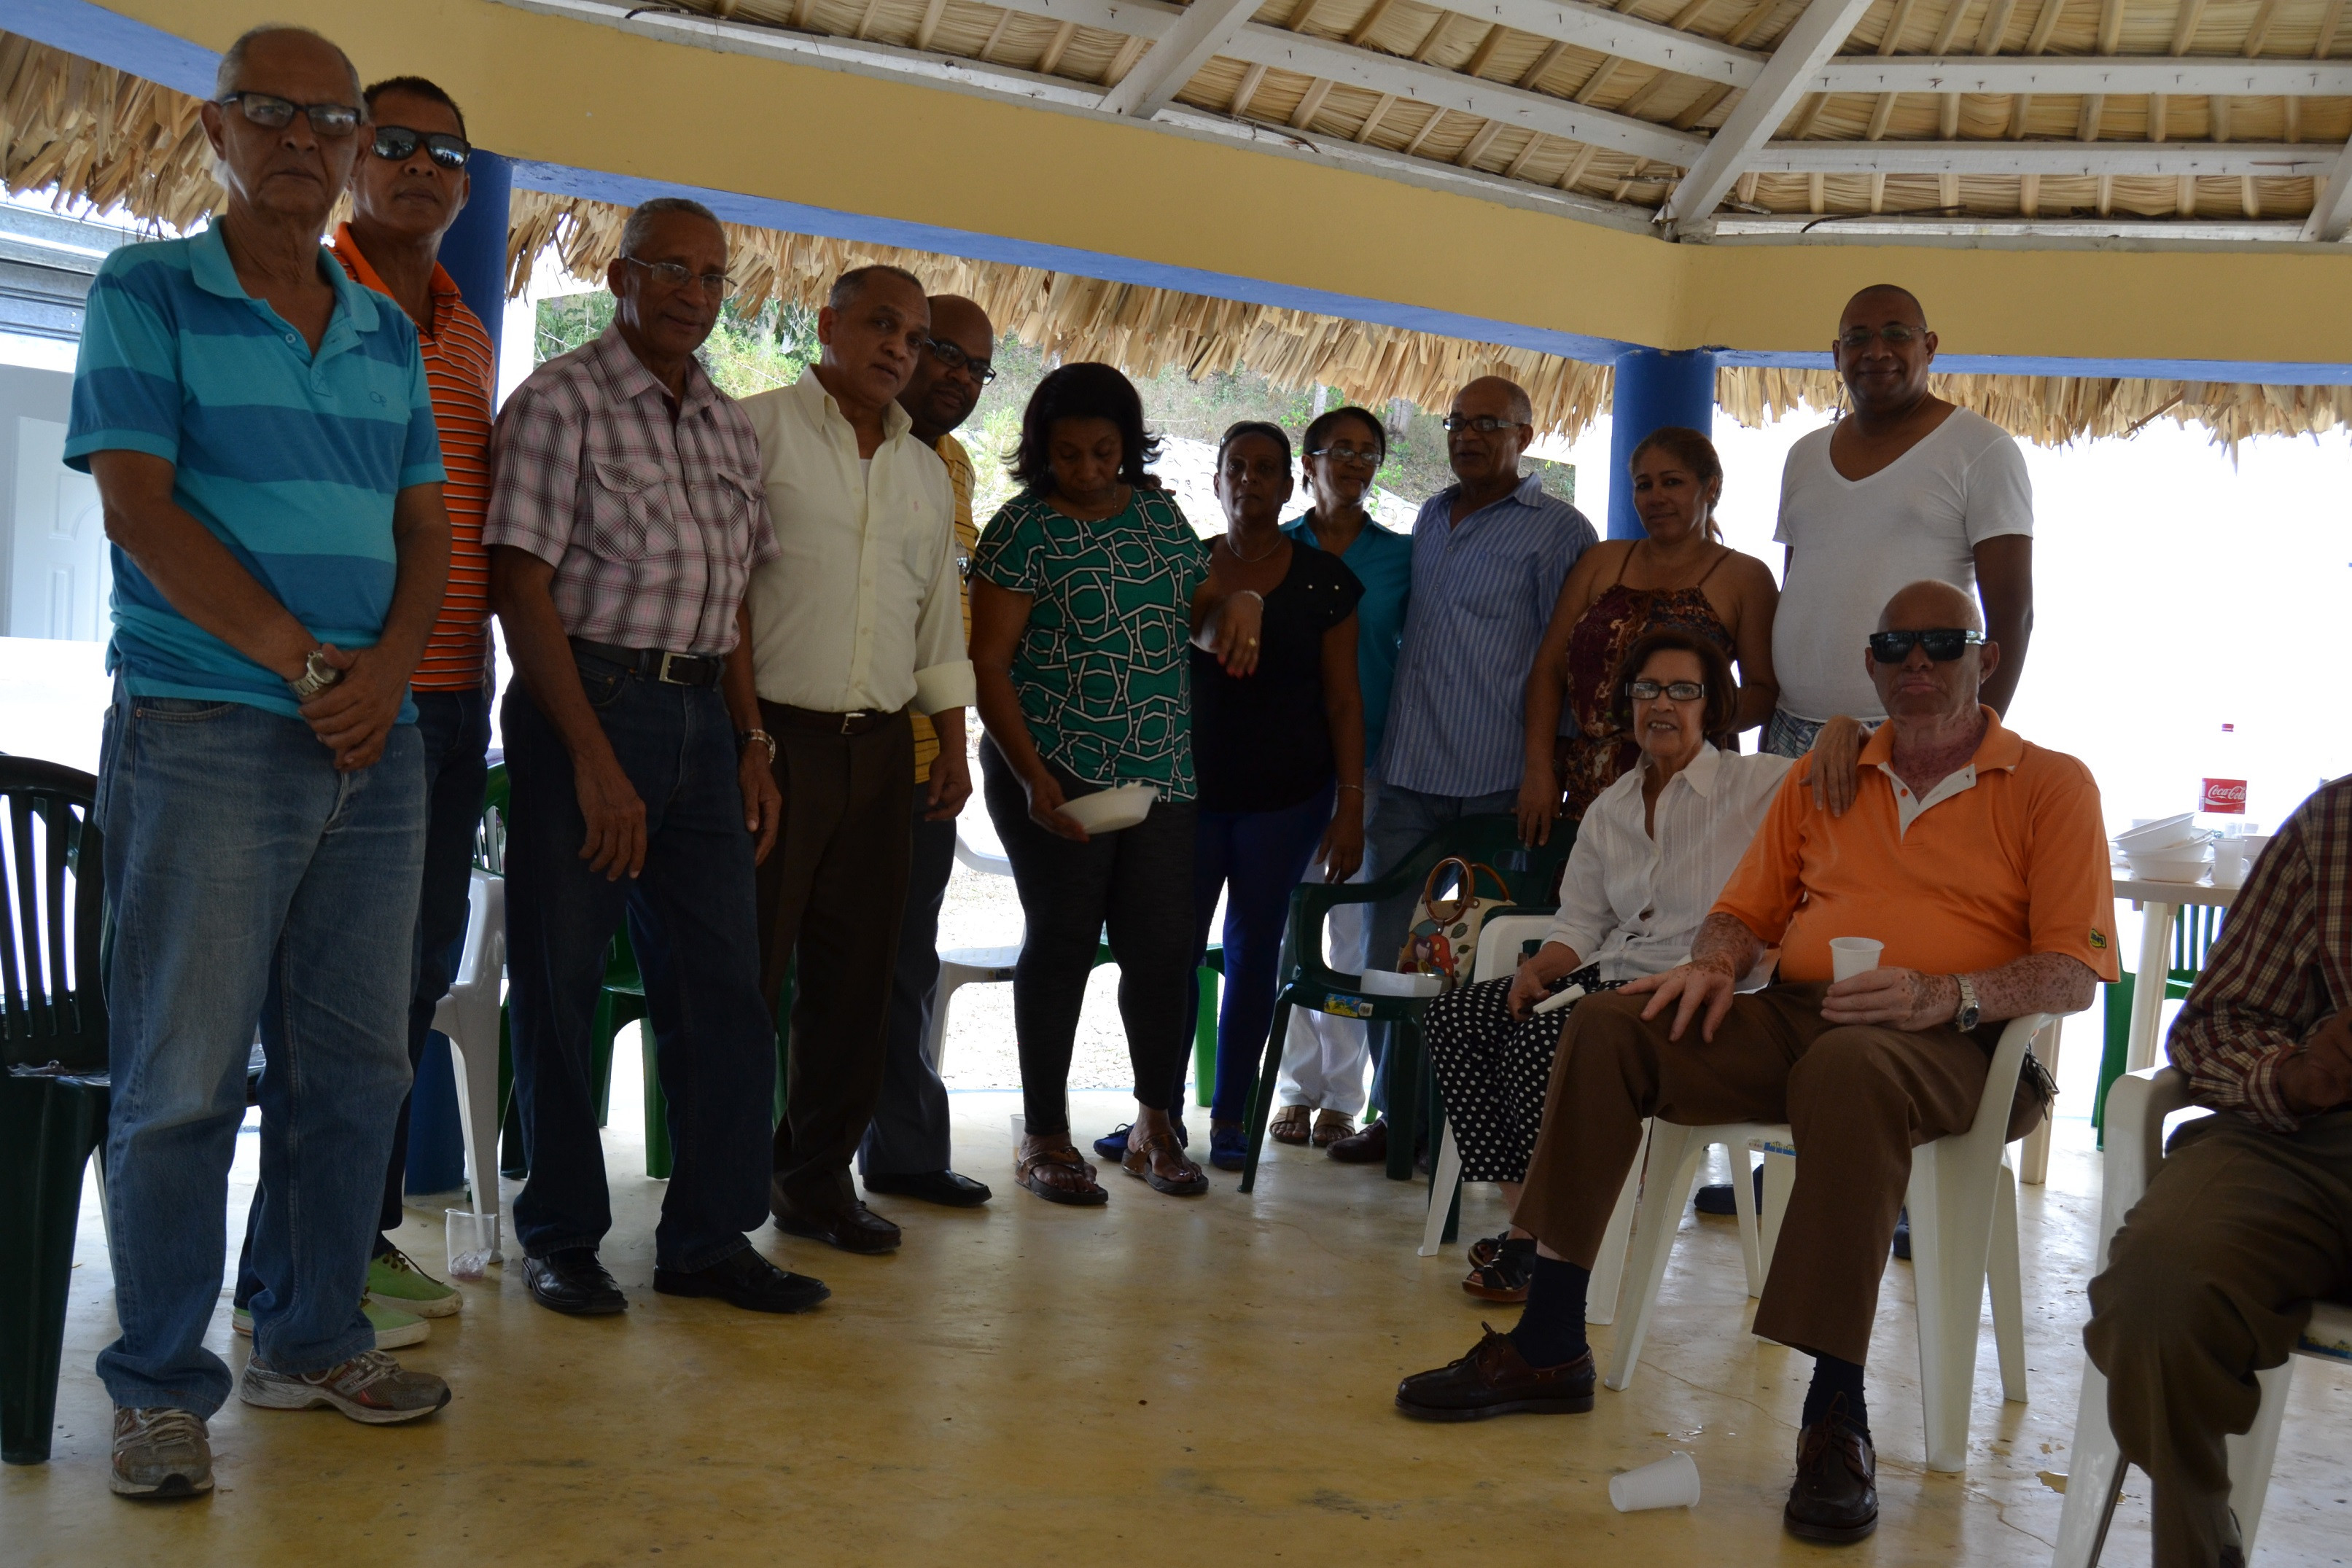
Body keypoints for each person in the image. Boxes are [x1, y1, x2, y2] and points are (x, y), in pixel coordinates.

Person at [1396, 580, 2117, 1548]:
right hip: (1796, 1014)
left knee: (1850, 1067)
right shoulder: (1829, 773)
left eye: (1941, 643)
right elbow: (1744, 909)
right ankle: (1550, 1337)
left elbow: (2073, 970)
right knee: (1610, 1024)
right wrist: (1713, 960)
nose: (1916, 662)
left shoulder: (2047, 781)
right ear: (1867, 663)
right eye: (1893, 643)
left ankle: (1834, 1410)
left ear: (1983, 660)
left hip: (1957, 1041)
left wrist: (1944, 994)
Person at [68, 24, 456, 1499]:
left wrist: (388, 678)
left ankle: (312, 1330)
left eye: (329, 119)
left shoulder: (377, 323)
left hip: (377, 740)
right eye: (270, 113)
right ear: (216, 130)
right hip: (209, 731)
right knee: (178, 1078)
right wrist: (305, 666)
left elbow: (428, 530)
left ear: (353, 146)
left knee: (356, 1065)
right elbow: (142, 513)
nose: (302, 138)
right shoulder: (147, 288)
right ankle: (161, 1385)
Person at [488, 196, 825, 1319]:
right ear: (621, 275)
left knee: (729, 983)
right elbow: (518, 585)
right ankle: (563, 1236)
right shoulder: (559, 402)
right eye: (670, 269)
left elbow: (728, 604)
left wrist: (753, 742)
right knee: (560, 980)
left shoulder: (727, 426)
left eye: (712, 275)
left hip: (699, 723)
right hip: (585, 704)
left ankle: (706, 1236)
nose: (692, 291)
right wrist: (589, 756)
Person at [225, 71, 491, 1349]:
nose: (424, 167)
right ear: (351, 162)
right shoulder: (311, 295)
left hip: (446, 709)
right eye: (394, 143)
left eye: (447, 150)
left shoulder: (467, 330)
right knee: (314, 1013)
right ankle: (284, 1284)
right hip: (320, 709)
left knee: (397, 1002)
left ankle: (344, 1251)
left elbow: (455, 526)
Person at [968, 363, 1262, 1204]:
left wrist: (1238, 602)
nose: (1089, 470)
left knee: (1164, 952)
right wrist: (1030, 778)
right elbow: (988, 666)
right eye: (1068, 455)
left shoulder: (1161, 517)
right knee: (1061, 944)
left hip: (1160, 771)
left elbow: (1200, 618)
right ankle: (1044, 1135)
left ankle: (1153, 1125)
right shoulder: (1020, 530)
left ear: (1129, 449)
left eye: (1105, 452)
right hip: (1054, 767)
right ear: (1041, 452)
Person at [1428, 631, 1793, 1300]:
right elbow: (1582, 923)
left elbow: (1838, 791)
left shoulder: (1756, 783)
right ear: (1629, 703)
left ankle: (1555, 1238)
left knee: (1542, 1042)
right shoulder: (1610, 808)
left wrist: (1851, 734)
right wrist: (1543, 965)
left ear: (1711, 708)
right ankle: (1529, 1225)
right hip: (1608, 971)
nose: (1663, 704)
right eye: (1648, 689)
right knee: (1458, 1017)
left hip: (1690, 985)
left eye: (1684, 690)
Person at [731, 265, 973, 1255]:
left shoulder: (923, 468)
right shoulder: (754, 430)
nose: (899, 349)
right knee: (751, 972)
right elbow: (724, 601)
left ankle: (816, 1176)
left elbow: (935, 620)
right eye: (882, 325)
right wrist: (746, 737)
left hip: (881, 749)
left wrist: (954, 745)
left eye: (912, 338)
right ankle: (722, 1190)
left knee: (859, 979)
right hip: (771, 742)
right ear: (827, 325)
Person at [2082, 776, 2352, 1568]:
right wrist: (2300, 1073)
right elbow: (2216, 1023)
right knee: (2158, 1289)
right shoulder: (2334, 824)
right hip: (2311, 1139)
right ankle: (2201, 1547)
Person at [1329, 375, 1597, 1166]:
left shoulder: (1558, 532)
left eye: (1488, 424)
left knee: (1483, 969)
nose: (1468, 437)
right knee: (1390, 960)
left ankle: (1466, 1134)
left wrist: (1544, 770)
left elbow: (1562, 663)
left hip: (1499, 786)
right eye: (1457, 423)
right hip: (1408, 774)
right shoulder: (1431, 516)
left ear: (1526, 433)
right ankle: (1398, 1117)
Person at [1183, 421, 1366, 1171]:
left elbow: (1343, 701)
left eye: (1266, 470)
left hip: (1288, 799)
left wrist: (1350, 805)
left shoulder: (1327, 581)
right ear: (1218, 480)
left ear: (1290, 486)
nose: (1249, 481)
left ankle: (1233, 1119)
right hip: (1189, 795)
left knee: (1256, 952)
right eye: (1237, 468)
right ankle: (1154, 1115)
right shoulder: (1185, 566)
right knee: (1171, 951)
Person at [854, 295, 999, 1211]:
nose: (955, 373)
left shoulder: (951, 465)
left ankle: (902, 1155)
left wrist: (954, 744)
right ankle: (792, 1167)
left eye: (975, 367)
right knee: (820, 968)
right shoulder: (848, 442)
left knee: (905, 963)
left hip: (922, 758)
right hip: (833, 744)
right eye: (941, 350)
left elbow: (945, 615)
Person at [1766, 284, 2033, 757]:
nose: (1876, 350)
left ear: (1928, 347)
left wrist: (1970, 744)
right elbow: (1799, 586)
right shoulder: (1803, 455)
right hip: (1790, 728)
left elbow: (2013, 616)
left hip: (1916, 734)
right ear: (1836, 354)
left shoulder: (1982, 450)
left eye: (1895, 333)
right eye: (1857, 338)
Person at [1270, 405, 1412, 1150]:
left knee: (1354, 930)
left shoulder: (1402, 557)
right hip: (1289, 759)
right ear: (1310, 462)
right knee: (1292, 925)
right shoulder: (1275, 549)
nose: (1354, 464)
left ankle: (1344, 1096)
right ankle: (1294, 1087)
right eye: (1339, 451)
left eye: (1368, 453)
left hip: (1374, 762)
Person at [1519, 426, 1779, 830]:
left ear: (1710, 488)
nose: (1655, 497)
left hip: (1689, 782)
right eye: (1644, 485)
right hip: (1591, 783)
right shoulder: (1601, 561)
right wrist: (1538, 768)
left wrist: (1687, 720)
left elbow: (1764, 692)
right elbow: (1549, 669)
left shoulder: (1746, 577)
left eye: (1672, 482)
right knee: (1583, 892)